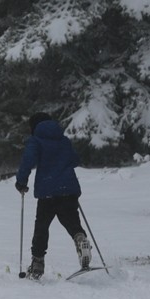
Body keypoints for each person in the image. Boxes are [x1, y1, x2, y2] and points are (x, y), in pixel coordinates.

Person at [15, 112, 91, 280]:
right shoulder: (63, 140)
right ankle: (81, 239)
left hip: (47, 192)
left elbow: (28, 160)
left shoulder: (36, 140)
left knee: (41, 228)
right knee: (72, 222)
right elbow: (75, 160)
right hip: (68, 190)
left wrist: (21, 182)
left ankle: (37, 264)